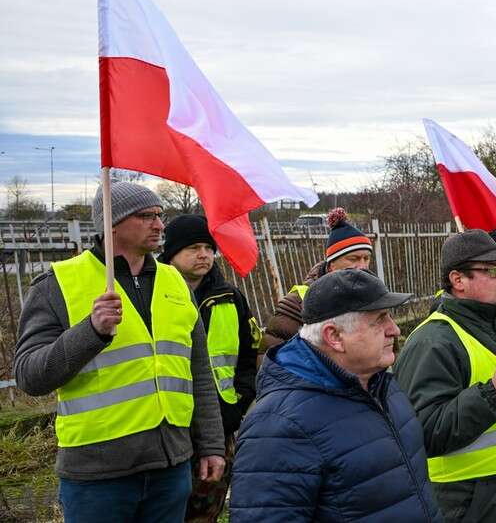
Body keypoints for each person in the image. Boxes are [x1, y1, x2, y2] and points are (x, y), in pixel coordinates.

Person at [13, 182, 225, 522]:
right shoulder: (58, 284)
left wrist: (211, 445)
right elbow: (30, 376)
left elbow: (198, 372)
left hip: (170, 469)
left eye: (160, 215)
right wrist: (91, 331)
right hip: (97, 476)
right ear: (110, 224)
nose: (159, 225)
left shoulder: (174, 282)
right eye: (146, 216)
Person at [231, 269, 440, 522]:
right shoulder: (278, 425)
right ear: (335, 336)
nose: (394, 329)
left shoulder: (381, 385)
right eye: (380, 319)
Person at [393, 229, 496, 523]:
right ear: (458, 280)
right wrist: (492, 392)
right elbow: (423, 432)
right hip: (472, 502)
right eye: (491, 270)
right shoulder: (433, 342)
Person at [159, 215, 259, 522]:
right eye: (193, 248)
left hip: (219, 426)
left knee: (206, 510)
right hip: (166, 428)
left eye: (207, 247)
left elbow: (248, 355)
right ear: (171, 254)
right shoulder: (155, 294)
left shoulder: (230, 298)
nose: (203, 254)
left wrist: (238, 402)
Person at [260, 207, 373, 352]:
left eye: (366, 258)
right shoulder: (299, 303)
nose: (362, 267)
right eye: (354, 259)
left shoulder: (372, 294)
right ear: (331, 265)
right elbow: (271, 356)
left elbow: (388, 347)